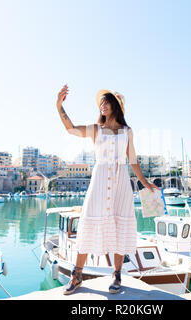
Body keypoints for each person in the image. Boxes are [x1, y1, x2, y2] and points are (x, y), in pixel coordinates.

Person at [56, 84, 159, 295]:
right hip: (100, 180)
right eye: (101, 103)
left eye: (106, 101)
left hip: (122, 181)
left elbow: (133, 160)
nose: (103, 105)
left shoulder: (127, 131)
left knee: (120, 223)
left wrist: (145, 183)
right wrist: (59, 106)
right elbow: (70, 128)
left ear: (114, 105)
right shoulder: (96, 129)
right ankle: (77, 275)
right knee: (89, 221)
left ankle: (117, 274)